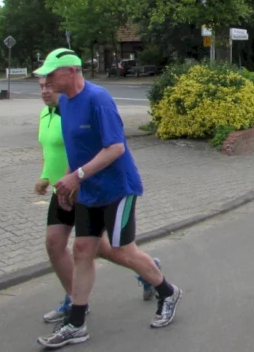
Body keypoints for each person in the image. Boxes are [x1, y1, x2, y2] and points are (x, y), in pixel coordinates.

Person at [35, 49, 181, 348]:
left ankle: (168, 291)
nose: (47, 81)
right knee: (82, 250)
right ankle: (76, 324)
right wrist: (67, 184)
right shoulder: (64, 103)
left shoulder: (98, 99)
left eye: (51, 74)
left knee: (123, 251)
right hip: (89, 190)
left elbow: (115, 147)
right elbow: (76, 151)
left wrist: (77, 177)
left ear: (71, 72)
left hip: (118, 189)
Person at [34, 76, 159, 325]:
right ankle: (75, 300)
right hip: (64, 188)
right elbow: (53, 151)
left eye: (49, 85)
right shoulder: (46, 115)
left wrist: (79, 178)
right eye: (41, 87)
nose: (45, 91)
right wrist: (46, 176)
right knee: (55, 244)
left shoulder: (77, 109)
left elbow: (101, 147)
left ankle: (148, 269)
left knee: (102, 249)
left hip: (86, 187)